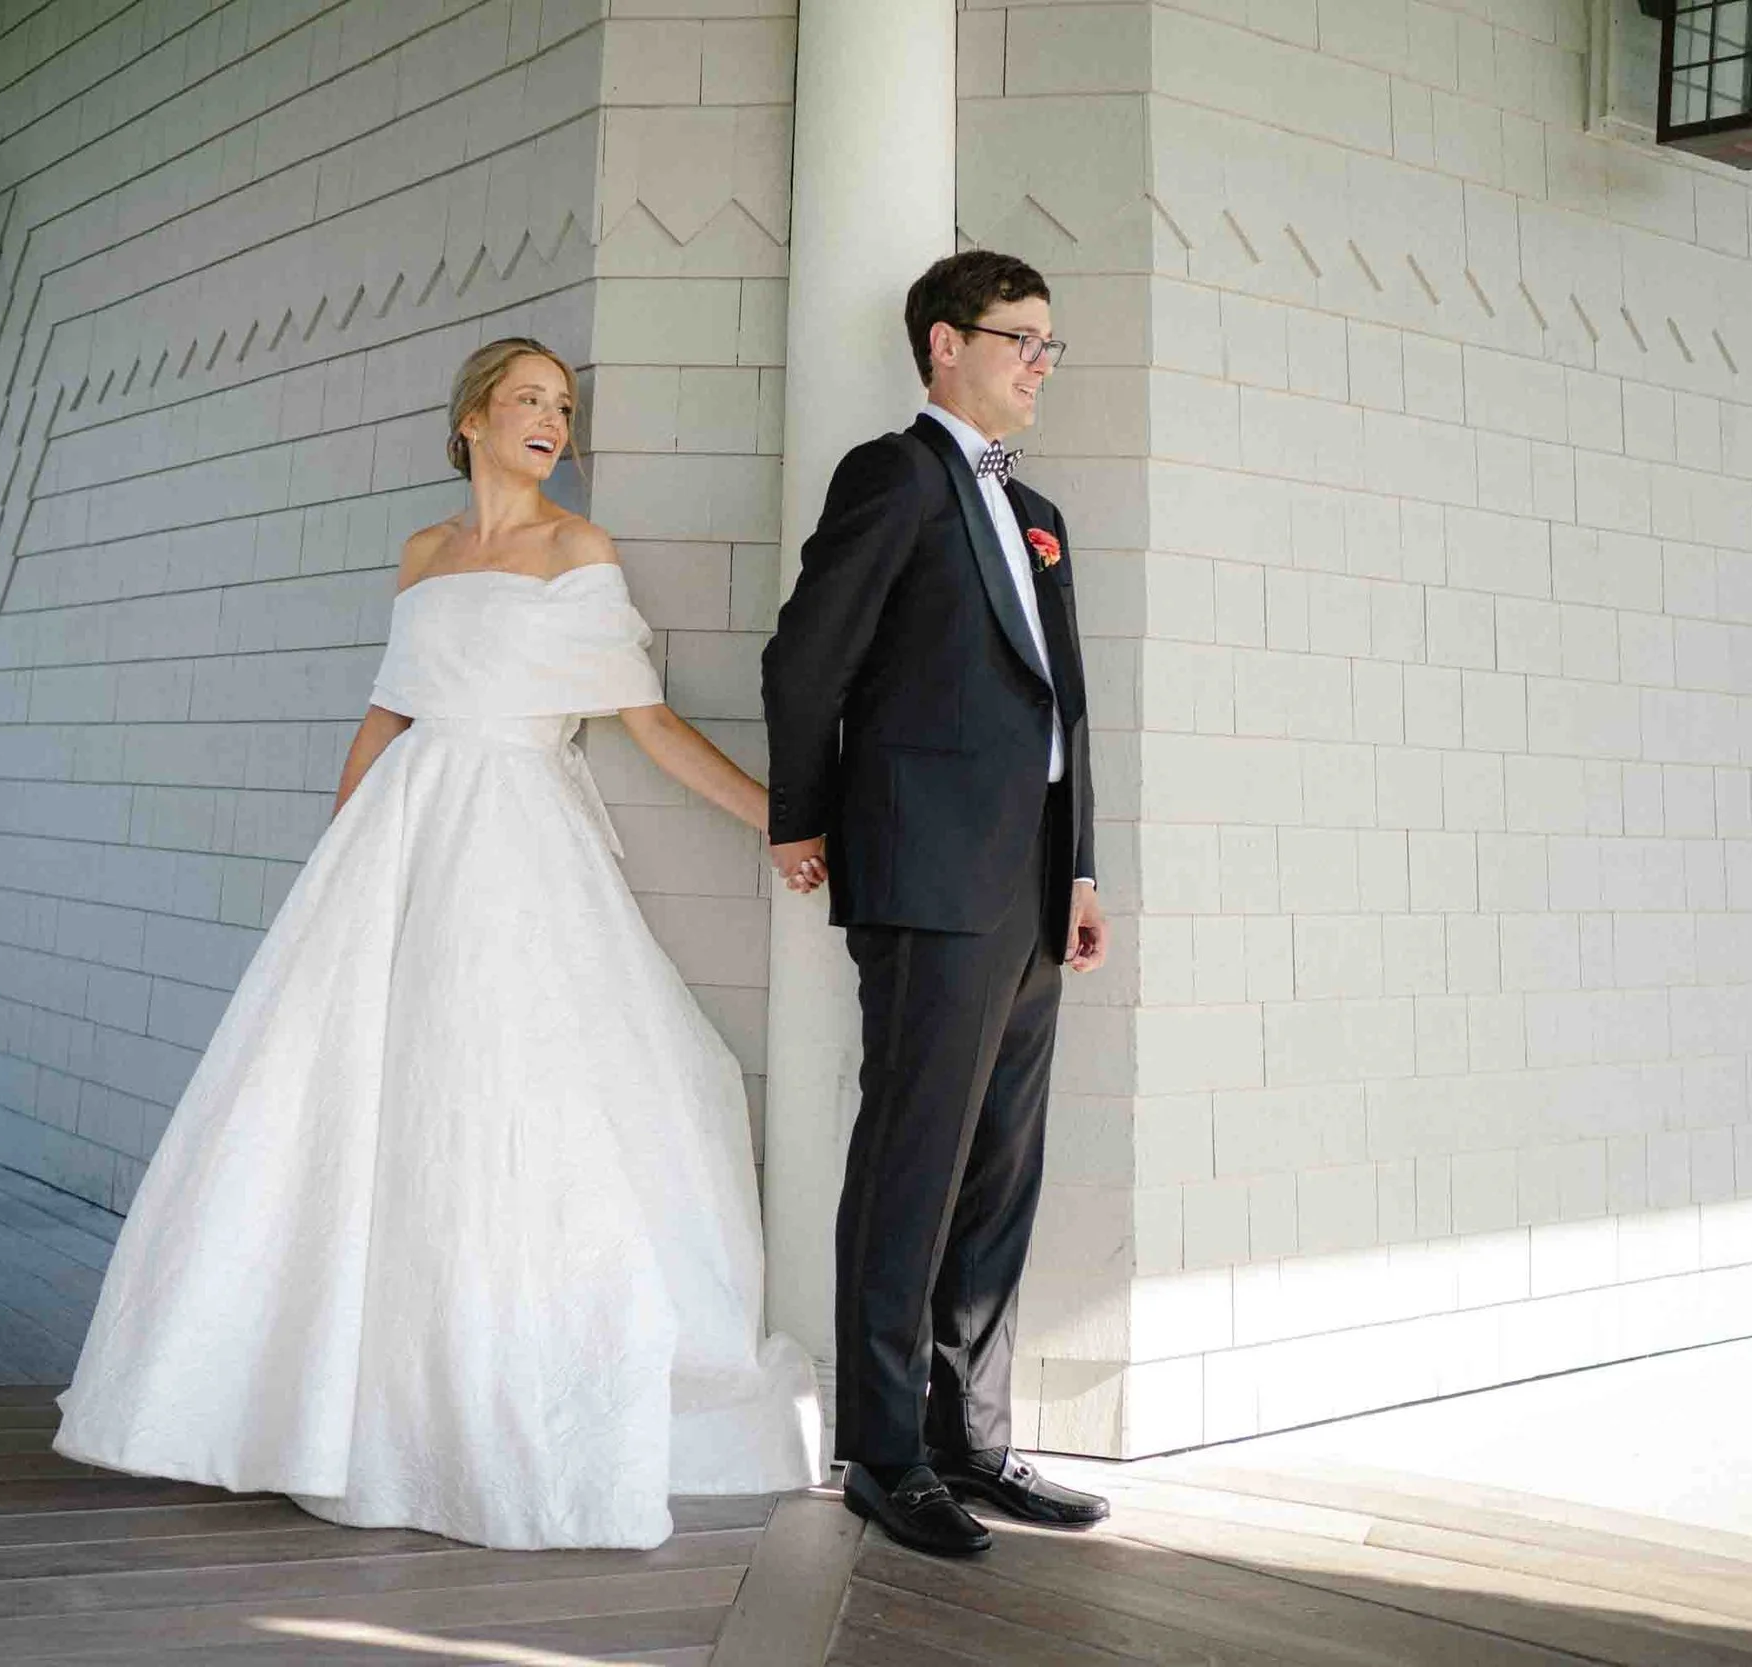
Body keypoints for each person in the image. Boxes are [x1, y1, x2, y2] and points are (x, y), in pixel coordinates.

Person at [54, 337, 823, 1550]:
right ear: (470, 417)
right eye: (526, 399)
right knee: (362, 1093)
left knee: (502, 1089)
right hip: (405, 838)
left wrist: (780, 820)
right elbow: (388, 711)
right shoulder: (422, 554)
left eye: (563, 407)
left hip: (517, 838)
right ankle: (333, 1391)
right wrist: (342, 860)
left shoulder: (579, 550)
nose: (549, 420)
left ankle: (488, 1390)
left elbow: (648, 722)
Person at [762, 251, 1112, 1558]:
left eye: (1047, 344)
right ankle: (884, 1449)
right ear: (944, 344)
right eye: (1019, 338)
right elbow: (808, 655)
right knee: (914, 1161)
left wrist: (1080, 872)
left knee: (999, 1172)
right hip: (927, 879)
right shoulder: (894, 474)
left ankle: (973, 1440)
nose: (1039, 362)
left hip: (1027, 890)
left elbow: (1064, 710)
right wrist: (802, 815)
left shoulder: (1043, 515)